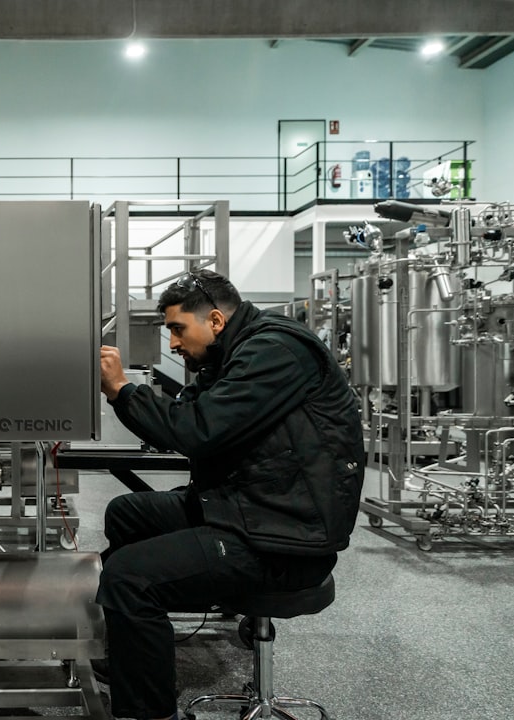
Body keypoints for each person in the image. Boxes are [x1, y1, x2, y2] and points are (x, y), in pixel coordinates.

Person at [95, 269, 364, 720]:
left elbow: (198, 430)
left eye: (178, 329)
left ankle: (149, 712)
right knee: (129, 512)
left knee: (128, 576)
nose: (173, 343)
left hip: (283, 539)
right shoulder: (234, 352)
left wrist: (123, 390)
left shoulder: (274, 350)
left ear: (216, 320)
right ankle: (138, 650)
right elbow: (188, 413)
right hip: (253, 508)